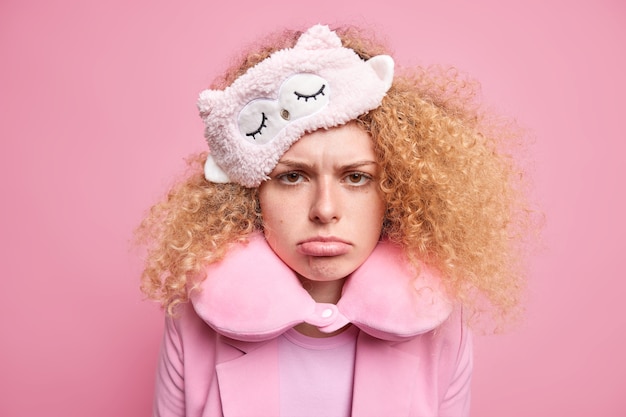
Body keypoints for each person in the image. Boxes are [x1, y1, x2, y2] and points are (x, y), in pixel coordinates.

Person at [136, 23, 531, 417]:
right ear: (250, 195)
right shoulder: (192, 317)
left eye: (356, 177)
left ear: (395, 192)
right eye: (292, 177)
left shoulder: (440, 322)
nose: (324, 209)